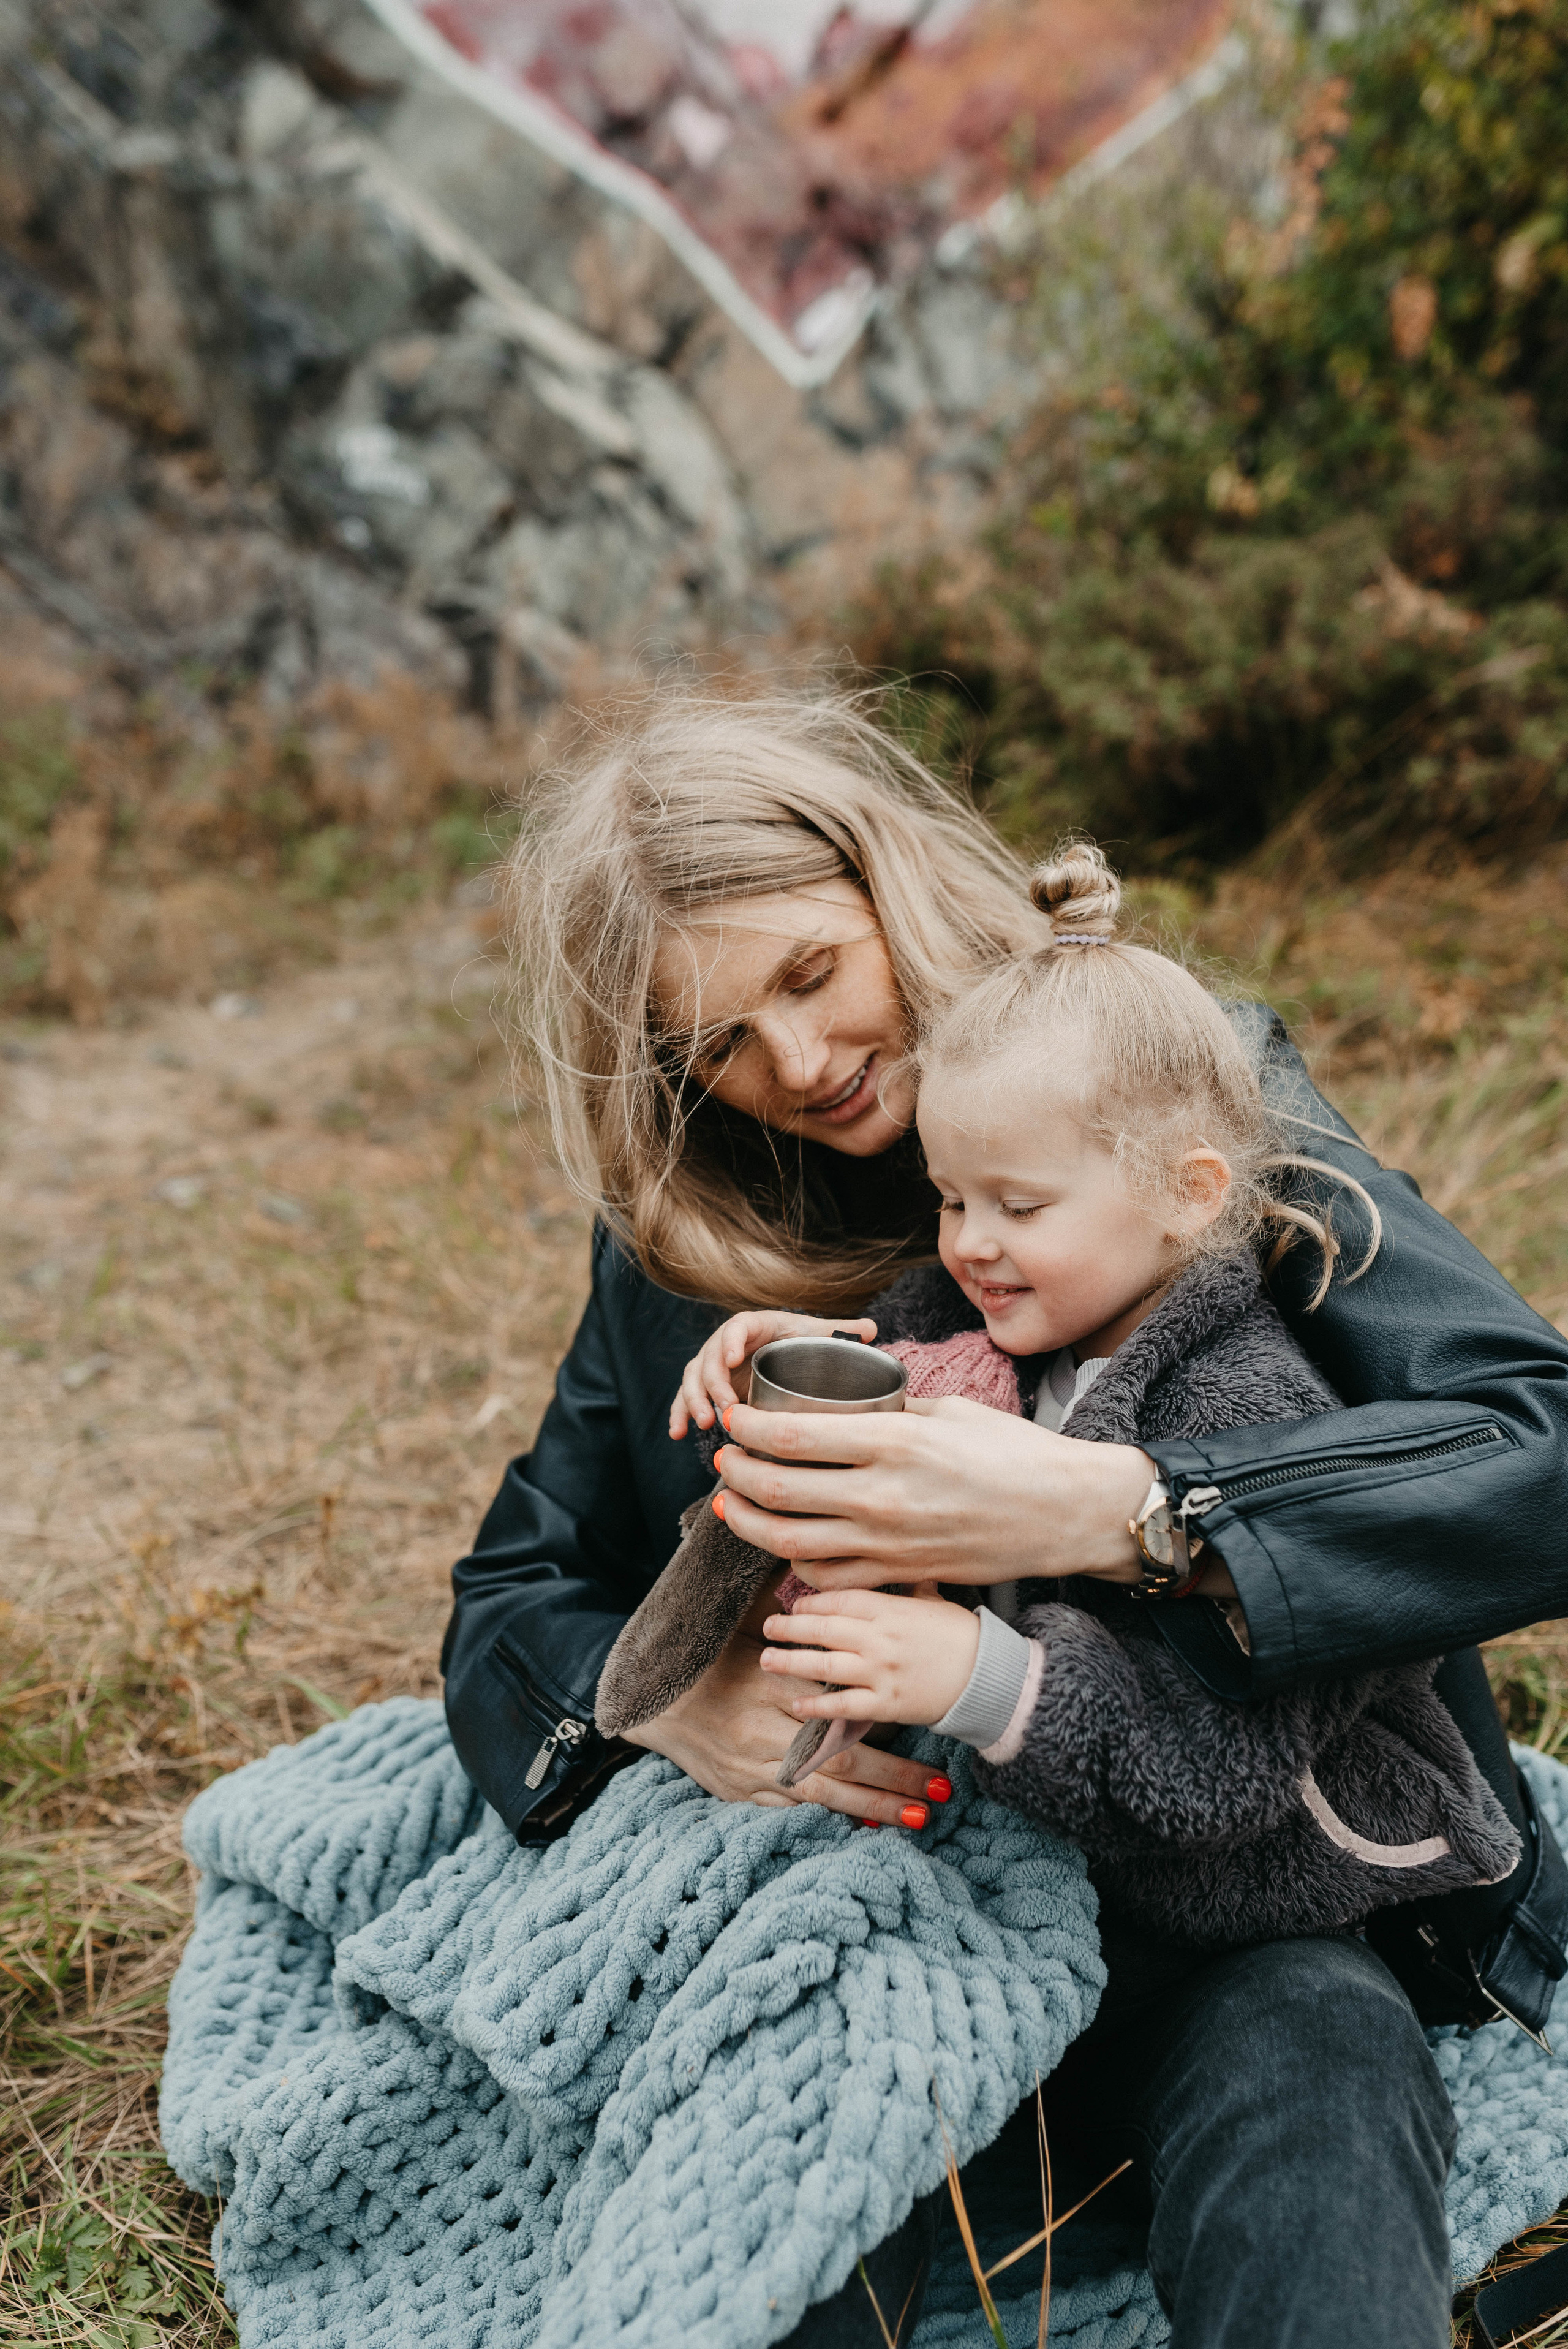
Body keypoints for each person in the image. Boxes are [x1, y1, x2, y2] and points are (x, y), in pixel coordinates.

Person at [442, 689, 1568, 2348]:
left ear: (889, 877)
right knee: (740, 2222)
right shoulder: (692, 1229)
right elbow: (515, 1587)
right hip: (882, 1937)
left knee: (1316, 2068)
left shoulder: (1179, 1086)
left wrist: (1135, 1508)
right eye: (719, 1045)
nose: (801, 1065)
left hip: (1241, 1910)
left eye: (814, 976)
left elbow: (1534, 1447)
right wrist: (688, 1701)